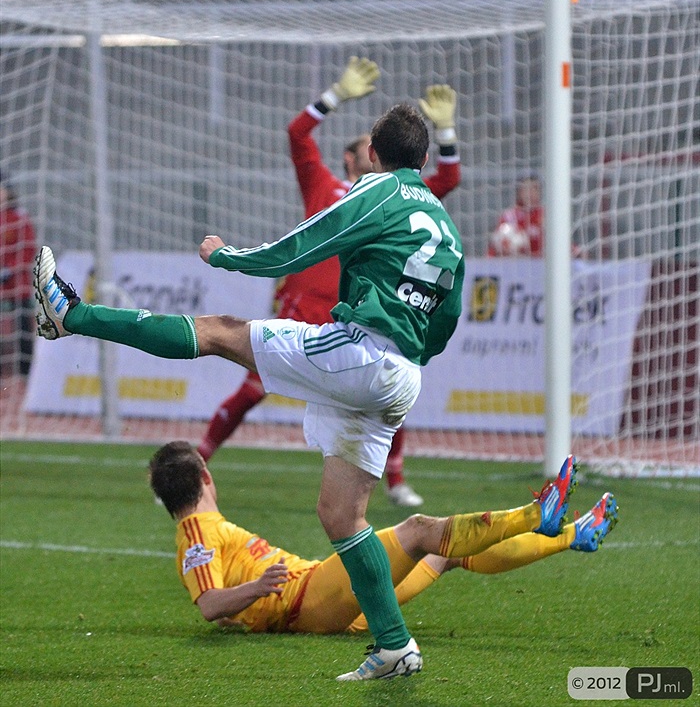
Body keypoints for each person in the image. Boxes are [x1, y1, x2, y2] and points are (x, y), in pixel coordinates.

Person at [33, 101, 571, 681]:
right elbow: (445, 319)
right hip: (402, 374)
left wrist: (227, 256)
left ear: (373, 153)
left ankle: (71, 314)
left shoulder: (379, 192)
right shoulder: (444, 223)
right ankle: (394, 647)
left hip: (359, 352)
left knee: (219, 333)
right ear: (421, 157)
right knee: (341, 516)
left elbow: (301, 246)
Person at [199, 56, 462, 509]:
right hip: (307, 308)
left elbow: (449, 178)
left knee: (383, 391)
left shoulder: (401, 198)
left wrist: (447, 133)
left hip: (361, 315)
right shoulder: (325, 185)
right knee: (254, 386)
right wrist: (334, 96)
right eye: (364, 145)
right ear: (354, 157)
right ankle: (200, 457)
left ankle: (395, 482)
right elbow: (296, 134)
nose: (372, 149)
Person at [149, 441, 618, 641]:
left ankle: (575, 534)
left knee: (441, 553)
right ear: (206, 477)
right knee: (415, 530)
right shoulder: (196, 535)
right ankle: (538, 513)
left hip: (327, 600)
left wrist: (250, 601)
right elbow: (210, 605)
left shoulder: (206, 530)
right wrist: (257, 589)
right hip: (307, 600)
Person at [0, 172, 37, 377]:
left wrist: (10, 269)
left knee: (23, 322)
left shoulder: (18, 217)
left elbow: (27, 249)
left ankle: (26, 369)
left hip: (16, 283)